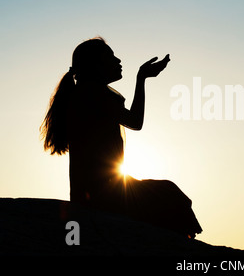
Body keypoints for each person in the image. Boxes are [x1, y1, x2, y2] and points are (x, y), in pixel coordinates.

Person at [40, 37, 202, 238]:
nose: (118, 61)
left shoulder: (85, 92)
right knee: (168, 195)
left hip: (97, 192)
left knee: (167, 193)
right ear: (95, 65)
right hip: (104, 196)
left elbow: (133, 122)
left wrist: (141, 78)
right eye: (110, 57)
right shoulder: (92, 92)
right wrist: (141, 78)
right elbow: (135, 122)